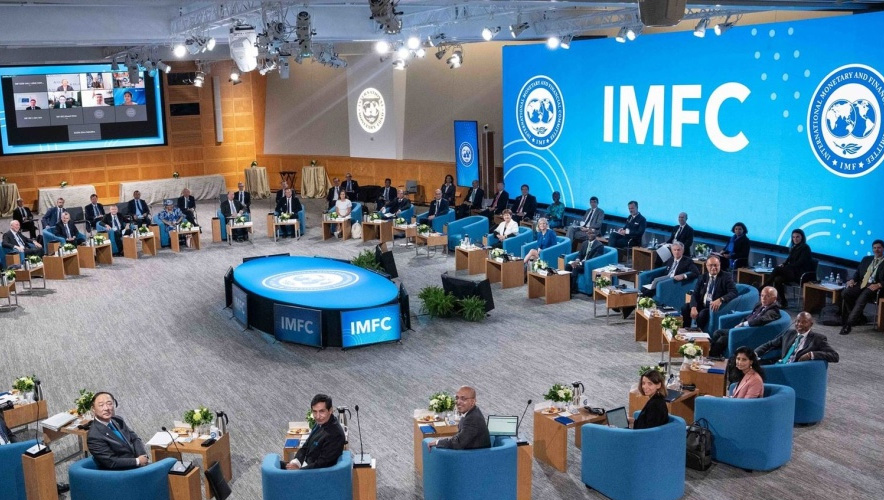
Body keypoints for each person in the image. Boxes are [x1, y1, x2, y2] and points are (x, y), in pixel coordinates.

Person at [709, 286, 781, 358]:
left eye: (767, 296)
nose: (763, 298)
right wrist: (741, 323)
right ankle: (711, 354)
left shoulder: (773, 311)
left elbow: (761, 320)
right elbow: (750, 316)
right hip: (741, 328)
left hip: (748, 332)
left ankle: (713, 357)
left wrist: (743, 324)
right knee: (717, 333)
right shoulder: (760, 304)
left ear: (774, 298)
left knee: (722, 339)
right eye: (762, 295)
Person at [87, 392, 149, 470]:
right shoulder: (94, 436)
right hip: (120, 472)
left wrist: (142, 455)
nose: (106, 408)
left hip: (138, 465)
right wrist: (137, 461)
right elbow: (110, 462)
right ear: (93, 409)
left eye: (109, 404)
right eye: (101, 405)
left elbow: (135, 438)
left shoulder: (117, 420)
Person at [286, 394, 345, 470]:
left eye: (322, 411)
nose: (318, 416)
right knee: (280, 465)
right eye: (315, 412)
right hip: (306, 466)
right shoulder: (321, 423)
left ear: (330, 410)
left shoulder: (335, 434)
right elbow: (306, 446)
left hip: (315, 473)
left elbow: (322, 464)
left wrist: (299, 471)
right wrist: (296, 462)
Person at [755, 311, 839, 364]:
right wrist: (754, 354)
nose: (799, 324)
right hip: (779, 363)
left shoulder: (818, 339)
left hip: (794, 369)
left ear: (811, 324)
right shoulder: (789, 333)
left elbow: (835, 356)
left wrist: (811, 355)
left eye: (804, 322)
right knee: (752, 365)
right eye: (798, 321)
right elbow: (770, 344)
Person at [681, 255, 738, 332]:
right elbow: (695, 294)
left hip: (713, 307)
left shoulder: (726, 276)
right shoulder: (702, 277)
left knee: (702, 314)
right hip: (702, 304)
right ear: (706, 266)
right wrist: (693, 307)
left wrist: (721, 299)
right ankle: (685, 331)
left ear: (720, 265)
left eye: (716, 265)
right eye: (711, 265)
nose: (713, 268)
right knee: (685, 307)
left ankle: (699, 334)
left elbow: (733, 292)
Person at [840, 239, 884, 335]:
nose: (876, 250)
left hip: (875, 286)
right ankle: (859, 318)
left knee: (861, 299)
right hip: (862, 283)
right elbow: (857, 273)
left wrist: (879, 284)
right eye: (874, 248)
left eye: (879, 248)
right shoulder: (866, 259)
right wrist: (852, 280)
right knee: (846, 293)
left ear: (883, 249)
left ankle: (849, 324)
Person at [427, 386, 491, 451]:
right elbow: (459, 437)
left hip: (475, 455)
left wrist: (438, 442)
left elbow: (458, 443)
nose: (458, 402)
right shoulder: (471, 412)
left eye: (463, 399)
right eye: (457, 398)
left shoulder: (473, 418)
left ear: (472, 402)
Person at [771, 229, 814, 308]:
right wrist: (784, 264)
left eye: (797, 237)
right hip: (792, 272)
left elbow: (799, 263)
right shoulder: (794, 247)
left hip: (800, 274)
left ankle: (765, 286)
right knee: (777, 279)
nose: (795, 239)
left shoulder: (805, 248)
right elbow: (789, 259)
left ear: (802, 237)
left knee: (777, 269)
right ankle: (783, 302)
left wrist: (787, 267)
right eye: (793, 237)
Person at [565, 230, 605, 294]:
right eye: (588, 233)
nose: (589, 235)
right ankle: (566, 286)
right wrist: (577, 260)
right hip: (581, 263)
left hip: (588, 265)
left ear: (595, 234)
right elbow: (580, 254)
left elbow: (594, 259)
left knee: (575, 267)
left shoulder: (599, 245)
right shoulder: (585, 243)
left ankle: (573, 289)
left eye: (591, 233)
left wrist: (579, 263)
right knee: (567, 266)